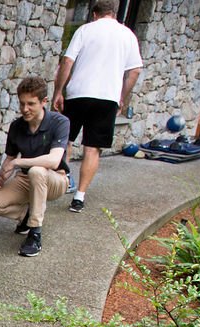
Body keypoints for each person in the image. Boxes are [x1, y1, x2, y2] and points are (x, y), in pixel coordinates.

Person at [52, 0, 142, 213]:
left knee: (65, 139)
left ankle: (63, 181)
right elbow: (135, 71)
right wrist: (121, 97)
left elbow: (67, 61)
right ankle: (79, 197)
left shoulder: (85, 30)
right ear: (114, 14)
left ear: (94, 14)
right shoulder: (128, 35)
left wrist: (58, 91)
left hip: (79, 93)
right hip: (107, 97)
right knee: (93, 148)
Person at [0, 76, 70, 258]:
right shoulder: (17, 126)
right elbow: (10, 159)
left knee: (37, 170)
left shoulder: (60, 122)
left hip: (55, 179)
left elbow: (54, 161)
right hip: (25, 179)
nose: (25, 109)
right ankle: (27, 215)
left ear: (44, 102)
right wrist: (1, 180)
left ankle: (35, 234)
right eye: (22, 103)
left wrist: (18, 163)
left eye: (31, 104)